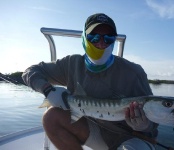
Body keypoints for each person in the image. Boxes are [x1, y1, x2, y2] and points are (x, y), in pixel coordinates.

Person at [22, 13, 158, 150]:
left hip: (129, 136)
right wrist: (48, 90)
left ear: (114, 40)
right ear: (84, 38)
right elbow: (30, 71)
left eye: (108, 38)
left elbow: (153, 123)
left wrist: (144, 125)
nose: (101, 43)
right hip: (94, 131)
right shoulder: (72, 64)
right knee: (51, 116)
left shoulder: (133, 72)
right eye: (94, 37)